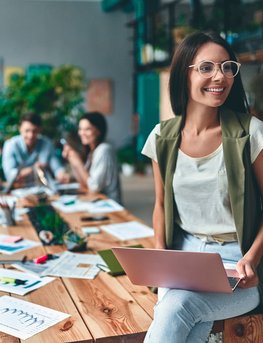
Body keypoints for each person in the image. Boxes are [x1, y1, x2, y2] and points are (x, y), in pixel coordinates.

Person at [141, 31, 263, 342]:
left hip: (237, 265)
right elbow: (161, 205)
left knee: (176, 308)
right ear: (184, 74)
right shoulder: (162, 136)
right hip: (182, 259)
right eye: (206, 67)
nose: (219, 77)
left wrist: (251, 257)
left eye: (227, 67)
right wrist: (159, 255)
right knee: (188, 323)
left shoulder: (251, 133)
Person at [62, 111, 122, 203]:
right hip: (97, 203)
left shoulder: (104, 150)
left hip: (110, 207)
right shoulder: (92, 152)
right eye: (80, 129)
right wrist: (72, 159)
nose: (82, 133)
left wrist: (78, 164)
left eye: (87, 129)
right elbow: (83, 183)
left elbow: (93, 187)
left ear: (98, 131)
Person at [2, 112, 70, 185]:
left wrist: (62, 174)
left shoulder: (47, 143)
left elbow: (57, 167)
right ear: (20, 129)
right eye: (27, 131)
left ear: (39, 130)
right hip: (19, 188)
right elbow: (10, 176)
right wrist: (34, 169)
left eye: (34, 131)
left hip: (43, 188)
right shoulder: (10, 145)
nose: (31, 135)